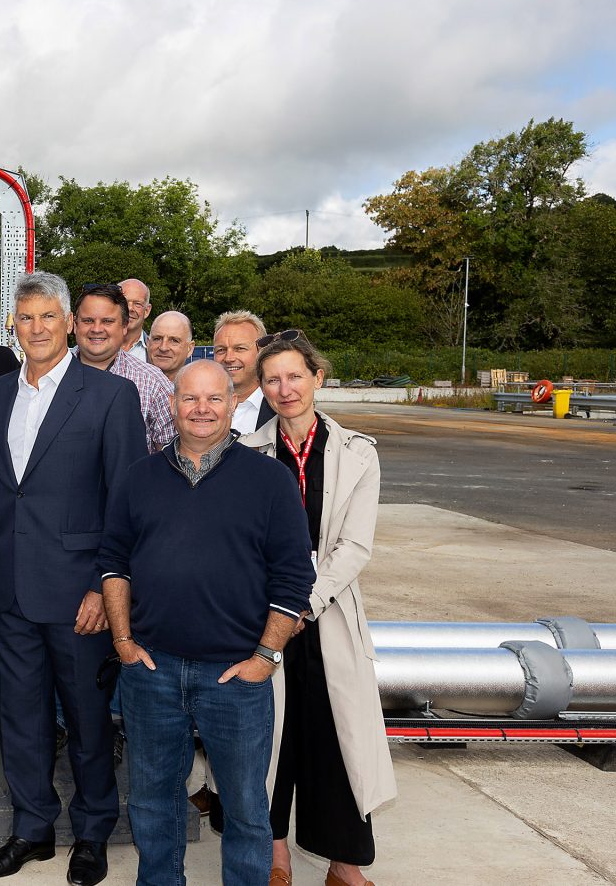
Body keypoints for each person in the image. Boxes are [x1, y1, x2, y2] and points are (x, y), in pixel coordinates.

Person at [0, 272, 146, 886]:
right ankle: (32, 828)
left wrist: (103, 585)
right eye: (25, 318)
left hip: (78, 595)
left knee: (89, 722)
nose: (35, 328)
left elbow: (126, 502)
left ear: (68, 324)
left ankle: (92, 833)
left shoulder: (110, 397)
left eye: (47, 317)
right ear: (13, 326)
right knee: (21, 716)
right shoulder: (0, 392)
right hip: (9, 589)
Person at [97, 360, 315, 886]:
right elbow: (113, 562)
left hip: (235, 678)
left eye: (214, 399)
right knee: (153, 801)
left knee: (243, 806)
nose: (201, 409)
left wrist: (265, 658)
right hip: (152, 671)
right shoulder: (139, 477)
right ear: (172, 404)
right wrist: (123, 641)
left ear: (232, 404)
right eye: (190, 398)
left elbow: (293, 578)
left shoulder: (269, 480)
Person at [240, 332, 396, 886]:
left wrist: (302, 602)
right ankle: (275, 855)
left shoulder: (358, 453)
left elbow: (355, 546)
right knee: (271, 736)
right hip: (264, 612)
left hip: (326, 614)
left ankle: (342, 863)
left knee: (335, 738)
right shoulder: (247, 452)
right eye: (273, 379)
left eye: (295, 376)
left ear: (317, 378)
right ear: (261, 387)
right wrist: (278, 606)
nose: (285, 388)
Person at [73, 282, 174, 453]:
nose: (97, 329)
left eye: (107, 321)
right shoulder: (52, 373)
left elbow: (169, 456)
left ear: (124, 326)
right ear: (75, 325)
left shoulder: (153, 382)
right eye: (88, 320)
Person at [213, 310, 275, 435]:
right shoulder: (197, 407)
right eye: (221, 350)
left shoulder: (280, 409)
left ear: (262, 352)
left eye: (240, 349)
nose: (229, 358)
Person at [146, 311, 194, 382]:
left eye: (174, 340)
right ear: (148, 343)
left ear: (190, 349)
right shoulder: (131, 385)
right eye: (157, 339)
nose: (163, 348)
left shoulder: (199, 390)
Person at [118, 278, 152, 361]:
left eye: (137, 304)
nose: (130, 308)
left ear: (147, 311)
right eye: (124, 302)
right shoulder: (97, 342)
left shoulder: (154, 350)